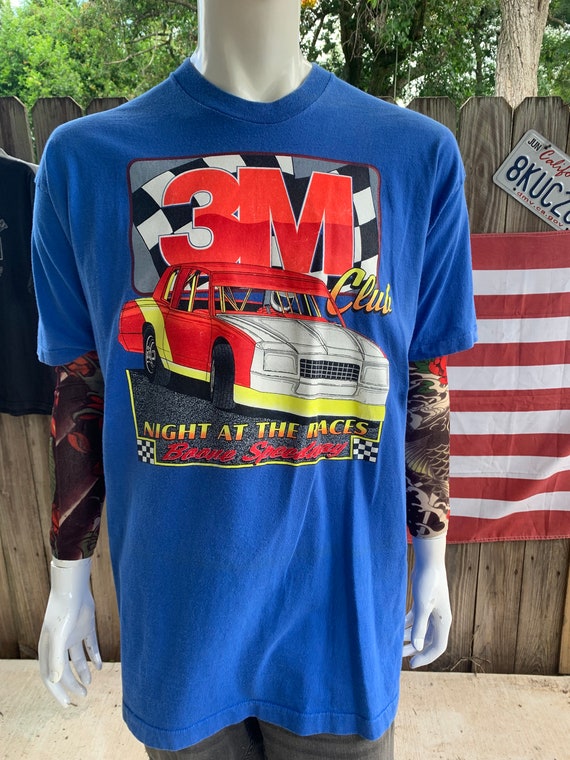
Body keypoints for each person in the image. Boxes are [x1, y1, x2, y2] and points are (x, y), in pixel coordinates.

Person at [33, 1, 477, 758]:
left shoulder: (418, 153)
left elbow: (422, 380)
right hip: (179, 618)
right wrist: (66, 576)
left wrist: (430, 556)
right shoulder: (81, 158)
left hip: (342, 619)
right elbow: (82, 386)